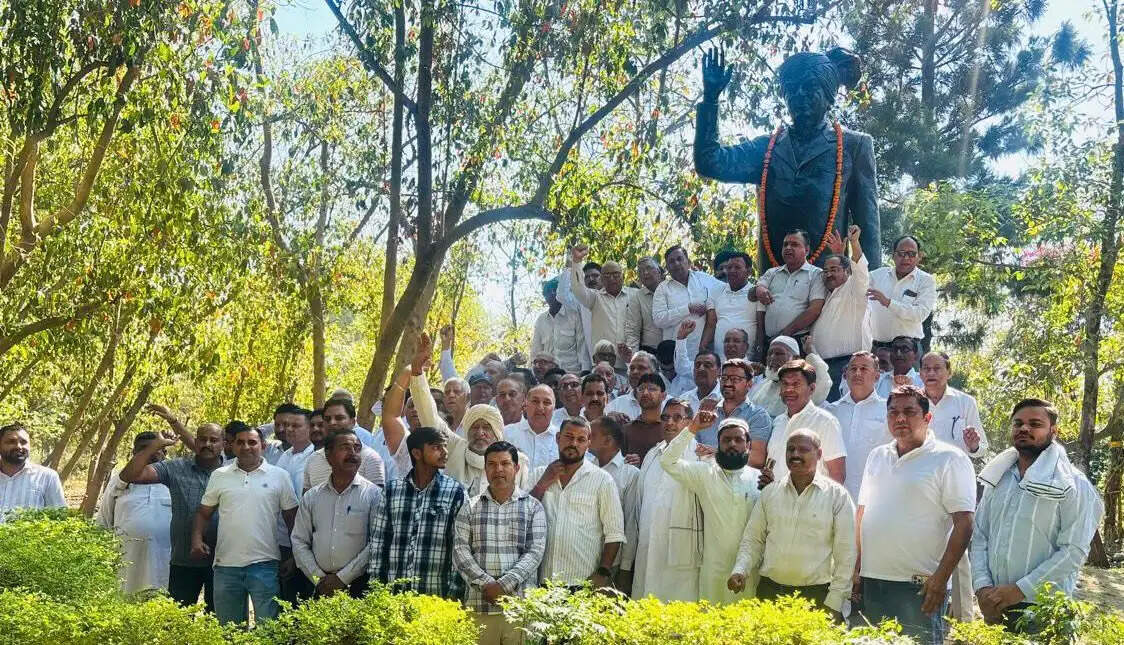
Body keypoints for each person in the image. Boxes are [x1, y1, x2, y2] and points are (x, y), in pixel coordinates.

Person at [693, 47, 881, 272]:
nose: (799, 95)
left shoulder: (853, 146)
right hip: (774, 288)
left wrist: (870, 294)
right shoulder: (766, 149)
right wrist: (711, 99)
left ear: (829, 93)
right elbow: (709, 162)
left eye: (810, 87)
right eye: (792, 89)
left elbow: (868, 230)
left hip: (829, 288)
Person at [972, 399, 1104, 633]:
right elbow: (981, 535)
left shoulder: (1073, 484)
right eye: (1018, 423)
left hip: (1045, 609)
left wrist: (1019, 590)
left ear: (1053, 431)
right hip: (995, 604)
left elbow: (1073, 551)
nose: (1024, 429)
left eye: (1035, 424)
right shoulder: (999, 478)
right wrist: (982, 588)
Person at [856, 386, 975, 645]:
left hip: (920, 586)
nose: (900, 419)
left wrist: (940, 579)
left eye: (909, 412)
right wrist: (856, 570)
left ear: (927, 418)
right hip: (874, 579)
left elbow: (964, 523)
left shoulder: (950, 458)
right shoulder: (877, 456)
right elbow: (863, 515)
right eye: (893, 412)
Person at [728, 430, 856, 619]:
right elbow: (753, 539)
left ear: (819, 454)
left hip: (815, 597)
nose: (795, 454)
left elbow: (846, 554)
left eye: (803, 449)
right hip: (770, 594)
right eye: (791, 449)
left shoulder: (837, 496)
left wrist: (835, 601)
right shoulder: (770, 493)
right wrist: (741, 569)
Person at [193, 422, 299, 625]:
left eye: (252, 442)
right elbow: (203, 513)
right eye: (240, 443)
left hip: (266, 565)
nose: (246, 447)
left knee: (268, 632)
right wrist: (196, 539)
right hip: (225, 566)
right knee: (229, 632)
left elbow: (292, 519)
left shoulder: (280, 476)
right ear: (232, 446)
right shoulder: (220, 475)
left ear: (263, 446)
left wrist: (295, 555)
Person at [119, 418, 224, 611]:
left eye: (214, 440)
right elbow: (129, 476)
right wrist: (155, 446)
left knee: (220, 623)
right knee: (177, 623)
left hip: (224, 562)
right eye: (202, 439)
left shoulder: (233, 471)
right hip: (184, 560)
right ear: (195, 441)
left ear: (224, 444)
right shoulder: (175, 468)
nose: (207, 444)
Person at [660, 408, 761, 605]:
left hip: (750, 571)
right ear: (718, 444)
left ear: (748, 445)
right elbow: (667, 461)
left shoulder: (759, 479)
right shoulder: (705, 474)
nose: (732, 444)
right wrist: (693, 428)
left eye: (738, 440)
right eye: (726, 440)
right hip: (713, 571)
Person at [453, 442, 547, 645]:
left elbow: (535, 552)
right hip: (479, 606)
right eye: (492, 464)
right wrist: (487, 584)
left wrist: (503, 585)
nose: (499, 470)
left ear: (516, 468)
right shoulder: (470, 506)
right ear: (485, 468)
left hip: (520, 608)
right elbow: (460, 552)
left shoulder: (533, 507)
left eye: (505, 463)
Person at [369, 427, 467, 599]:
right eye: (436, 447)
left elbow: (459, 547)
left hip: (436, 597)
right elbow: (379, 543)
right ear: (417, 453)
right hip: (394, 596)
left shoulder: (455, 491)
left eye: (445, 447)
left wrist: (452, 595)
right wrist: (378, 591)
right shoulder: (392, 490)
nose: (444, 452)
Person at [530, 418, 625, 589]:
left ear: (588, 443)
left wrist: (602, 573)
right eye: (568, 437)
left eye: (581, 439)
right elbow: (522, 516)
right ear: (558, 438)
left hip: (583, 582)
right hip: (542, 582)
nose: (573, 443)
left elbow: (615, 533)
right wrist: (542, 484)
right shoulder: (539, 474)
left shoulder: (602, 480)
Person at [291, 429, 383, 599]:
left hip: (358, 585)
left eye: (357, 448)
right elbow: (299, 540)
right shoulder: (312, 496)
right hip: (317, 585)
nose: (353, 453)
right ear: (328, 456)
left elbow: (377, 543)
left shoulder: (374, 495)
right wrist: (319, 578)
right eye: (345, 448)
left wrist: (342, 578)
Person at [631, 398, 702, 602]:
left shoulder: (700, 457)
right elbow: (639, 504)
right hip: (647, 546)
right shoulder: (652, 454)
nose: (669, 422)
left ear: (689, 423)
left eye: (677, 417)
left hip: (681, 554)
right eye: (665, 417)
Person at [96, 431, 173, 593]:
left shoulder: (175, 480)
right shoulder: (119, 481)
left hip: (165, 563)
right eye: (144, 449)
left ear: (164, 453)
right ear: (134, 453)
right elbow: (103, 524)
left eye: (155, 449)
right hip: (127, 562)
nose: (149, 453)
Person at [761, 359, 846, 486]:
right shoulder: (778, 421)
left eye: (796, 384)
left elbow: (837, 475)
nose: (789, 389)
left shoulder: (825, 421)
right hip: (776, 501)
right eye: (785, 384)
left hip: (812, 503)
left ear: (811, 389)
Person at [813, 225, 871, 401]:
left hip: (848, 366)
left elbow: (860, 269)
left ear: (847, 272)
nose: (829, 274)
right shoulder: (823, 294)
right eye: (826, 271)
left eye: (834, 270)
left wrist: (854, 243)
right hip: (822, 367)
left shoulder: (855, 290)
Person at [587, 416, 641, 590]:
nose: (586, 439)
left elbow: (631, 523)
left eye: (591, 435)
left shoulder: (630, 474)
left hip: (613, 564)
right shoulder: (586, 469)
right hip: (584, 558)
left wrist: (625, 569)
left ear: (607, 440)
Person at [827, 352, 890, 500]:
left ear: (877, 376)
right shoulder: (831, 411)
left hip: (877, 498)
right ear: (845, 375)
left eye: (864, 368)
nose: (857, 373)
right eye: (853, 368)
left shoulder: (889, 410)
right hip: (837, 498)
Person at [753, 230, 825, 357]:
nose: (788, 248)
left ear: (807, 250)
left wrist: (785, 333)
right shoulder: (772, 273)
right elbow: (756, 290)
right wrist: (760, 289)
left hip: (796, 340)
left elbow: (815, 309)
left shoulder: (816, 274)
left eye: (794, 244)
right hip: (769, 341)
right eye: (785, 244)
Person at [567, 246, 635, 369]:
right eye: (607, 276)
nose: (612, 279)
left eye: (616, 274)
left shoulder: (635, 295)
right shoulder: (594, 298)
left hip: (631, 364)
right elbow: (577, 288)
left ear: (623, 276)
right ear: (602, 279)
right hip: (603, 365)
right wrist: (576, 262)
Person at [696, 359, 772, 469]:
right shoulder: (707, 410)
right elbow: (691, 448)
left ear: (749, 384)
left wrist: (716, 454)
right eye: (724, 378)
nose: (727, 383)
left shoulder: (757, 416)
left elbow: (757, 459)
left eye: (735, 379)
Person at [274, 407, 316, 603]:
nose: (289, 429)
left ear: (309, 428)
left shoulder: (315, 457)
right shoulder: (285, 455)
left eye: (296, 425)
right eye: (287, 425)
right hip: (281, 538)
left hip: (304, 539)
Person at [652, 245, 722, 359]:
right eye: (671, 261)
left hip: (704, 352)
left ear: (688, 262)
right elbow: (659, 320)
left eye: (680, 259)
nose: (676, 264)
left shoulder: (704, 279)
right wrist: (688, 309)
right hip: (676, 354)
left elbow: (727, 289)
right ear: (667, 268)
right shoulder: (663, 288)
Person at [868, 235, 936, 344]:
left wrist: (888, 302)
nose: (906, 258)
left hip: (908, 350)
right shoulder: (877, 276)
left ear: (919, 257)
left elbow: (920, 314)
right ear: (893, 256)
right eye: (901, 253)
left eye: (911, 254)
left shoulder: (925, 280)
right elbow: (857, 282)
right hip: (878, 347)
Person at [921, 352, 987, 458]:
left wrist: (974, 446)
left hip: (955, 471)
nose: (931, 373)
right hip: (921, 470)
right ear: (920, 373)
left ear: (949, 373)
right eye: (926, 368)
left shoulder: (966, 403)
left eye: (937, 368)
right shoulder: (913, 403)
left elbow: (983, 447)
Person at [749, 335, 832, 417]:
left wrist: (810, 352)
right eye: (769, 354)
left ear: (795, 359)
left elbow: (822, 383)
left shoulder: (803, 386)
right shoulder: (761, 386)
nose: (772, 357)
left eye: (779, 353)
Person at [701, 251, 758, 363]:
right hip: (720, 356)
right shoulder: (716, 292)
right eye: (729, 267)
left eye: (737, 267)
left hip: (747, 358)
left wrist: (759, 351)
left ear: (749, 271)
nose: (731, 271)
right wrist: (703, 345)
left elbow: (761, 325)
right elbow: (711, 322)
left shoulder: (756, 293)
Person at [0, 422, 66, 519]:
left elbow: (60, 517)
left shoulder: (47, 477)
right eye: (11, 442)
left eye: (24, 442)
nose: (19, 446)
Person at [324, 397, 397, 481]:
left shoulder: (370, 458)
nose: (332, 423)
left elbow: (377, 493)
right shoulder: (314, 458)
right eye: (327, 419)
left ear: (353, 422)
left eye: (339, 418)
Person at [532, 278, 585, 374]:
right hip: (548, 375)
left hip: (571, 374)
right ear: (545, 297)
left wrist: (585, 373)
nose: (552, 294)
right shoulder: (541, 320)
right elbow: (536, 351)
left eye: (555, 291)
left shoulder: (574, 316)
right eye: (548, 292)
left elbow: (582, 348)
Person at [503, 384, 560, 470]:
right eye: (535, 401)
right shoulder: (507, 433)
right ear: (525, 405)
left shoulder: (561, 437)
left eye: (547, 403)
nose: (540, 407)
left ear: (554, 408)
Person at [621, 373, 667, 463]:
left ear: (663, 396)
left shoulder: (669, 428)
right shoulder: (626, 429)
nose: (645, 393)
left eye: (652, 389)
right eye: (641, 389)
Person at [624, 256, 665, 355]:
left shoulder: (672, 289)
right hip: (650, 352)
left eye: (649, 268)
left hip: (677, 349)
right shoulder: (637, 297)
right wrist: (633, 358)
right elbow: (632, 331)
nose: (645, 273)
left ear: (658, 271)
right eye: (641, 271)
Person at [604, 351, 662, 420]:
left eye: (641, 368)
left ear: (654, 372)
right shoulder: (615, 406)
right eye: (632, 368)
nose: (635, 372)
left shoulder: (668, 405)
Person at [681, 348, 721, 413]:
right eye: (697, 365)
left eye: (707, 365)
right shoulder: (684, 399)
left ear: (719, 371)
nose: (701, 368)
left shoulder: (725, 399)